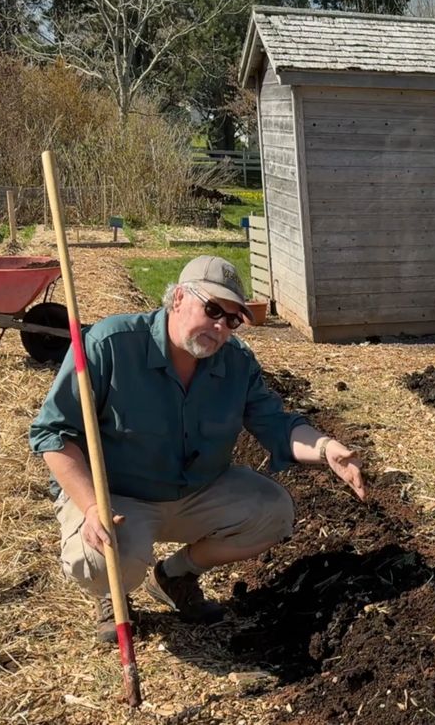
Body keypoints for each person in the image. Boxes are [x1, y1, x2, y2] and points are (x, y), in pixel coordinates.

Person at [30, 255, 365, 642]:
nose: (221, 325)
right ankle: (113, 592)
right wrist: (91, 507)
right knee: (100, 561)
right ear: (177, 299)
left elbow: (275, 422)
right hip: (118, 498)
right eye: (212, 310)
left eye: (232, 319)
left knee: (273, 512)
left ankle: (175, 575)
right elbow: (53, 433)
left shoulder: (235, 363)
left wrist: (326, 449)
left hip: (195, 491)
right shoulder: (109, 345)